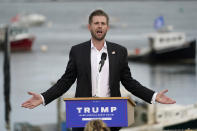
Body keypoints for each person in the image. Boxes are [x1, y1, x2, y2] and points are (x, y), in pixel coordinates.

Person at [21, 9, 176, 131]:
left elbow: (129, 83)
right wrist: (43, 97)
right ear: (90, 27)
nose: (99, 26)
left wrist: (154, 96)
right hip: (83, 117)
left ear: (107, 27)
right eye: (96, 23)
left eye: (102, 23)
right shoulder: (77, 51)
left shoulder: (119, 51)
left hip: (111, 117)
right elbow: (65, 81)